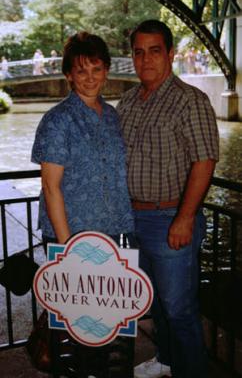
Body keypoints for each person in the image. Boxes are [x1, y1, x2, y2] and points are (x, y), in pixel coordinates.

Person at [117, 20, 219, 378]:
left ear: (171, 54)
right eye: (139, 52)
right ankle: (167, 360)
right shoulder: (127, 101)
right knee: (155, 301)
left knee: (180, 309)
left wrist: (185, 217)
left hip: (169, 219)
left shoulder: (190, 100)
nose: (145, 60)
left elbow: (204, 160)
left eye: (154, 51)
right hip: (132, 220)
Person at [31, 31, 134, 377]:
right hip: (74, 240)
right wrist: (68, 249)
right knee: (77, 331)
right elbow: (51, 186)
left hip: (114, 236)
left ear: (106, 70)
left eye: (96, 68)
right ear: (68, 75)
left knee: (108, 325)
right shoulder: (58, 120)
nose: (90, 77)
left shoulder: (112, 116)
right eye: (81, 70)